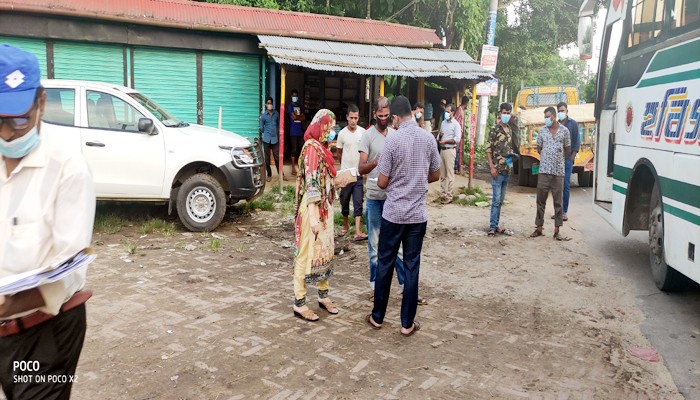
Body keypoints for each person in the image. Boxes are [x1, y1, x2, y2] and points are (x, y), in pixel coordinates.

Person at [0, 44, 96, 399]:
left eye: (18, 119)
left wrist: (9, 304)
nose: (8, 133)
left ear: (41, 103)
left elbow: (69, 270)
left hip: (47, 332)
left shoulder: (67, 164)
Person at [365, 95, 440, 336]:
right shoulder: (428, 139)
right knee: (411, 267)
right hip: (417, 216)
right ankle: (407, 324)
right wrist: (417, 180)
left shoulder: (393, 141)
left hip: (394, 214)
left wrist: (399, 180)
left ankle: (377, 318)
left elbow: (384, 181)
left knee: (385, 263)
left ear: (395, 117)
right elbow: (436, 174)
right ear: (413, 113)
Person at [292, 109, 342, 322]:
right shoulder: (312, 150)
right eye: (329, 128)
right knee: (305, 253)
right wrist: (313, 218)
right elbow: (312, 184)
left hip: (324, 209)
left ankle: (323, 296)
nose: (332, 132)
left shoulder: (323, 149)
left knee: (325, 252)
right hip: (313, 210)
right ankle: (299, 302)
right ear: (320, 127)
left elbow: (325, 179)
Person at [358, 97, 408, 298]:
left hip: (392, 198)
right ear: (374, 115)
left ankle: (405, 286)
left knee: (397, 246)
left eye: (387, 116)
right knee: (375, 246)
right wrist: (376, 161)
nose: (384, 119)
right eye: (380, 116)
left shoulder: (395, 135)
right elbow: (361, 168)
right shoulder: (367, 136)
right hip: (374, 197)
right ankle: (375, 286)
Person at [530, 106, 572, 241]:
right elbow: (539, 148)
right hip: (544, 171)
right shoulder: (542, 131)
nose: (546, 119)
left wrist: (557, 159)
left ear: (554, 116)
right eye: (545, 117)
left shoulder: (564, 131)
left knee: (558, 202)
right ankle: (539, 228)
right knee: (540, 200)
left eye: (548, 116)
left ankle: (557, 230)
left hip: (558, 172)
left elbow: (568, 149)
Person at [336, 104, 367, 240]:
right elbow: (339, 153)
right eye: (351, 117)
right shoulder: (342, 134)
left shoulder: (363, 133)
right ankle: (345, 225)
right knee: (344, 201)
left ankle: (358, 231)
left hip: (358, 173)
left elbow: (366, 151)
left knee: (358, 201)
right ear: (347, 117)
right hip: (345, 174)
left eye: (356, 118)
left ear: (358, 118)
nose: (353, 120)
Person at [486, 103, 517, 237]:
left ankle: (496, 225)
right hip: (497, 171)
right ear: (500, 113)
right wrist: (492, 167)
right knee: (496, 200)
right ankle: (492, 226)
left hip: (507, 170)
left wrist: (512, 159)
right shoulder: (494, 129)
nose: (506, 115)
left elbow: (509, 148)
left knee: (501, 200)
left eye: (508, 112)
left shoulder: (510, 129)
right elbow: (488, 150)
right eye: (504, 112)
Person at [553, 102, 579, 221]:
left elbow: (576, 142)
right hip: (557, 160)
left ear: (567, 111)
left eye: (563, 110)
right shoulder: (555, 124)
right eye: (559, 110)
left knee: (566, 185)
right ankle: (557, 211)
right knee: (556, 186)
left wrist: (572, 157)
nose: (561, 112)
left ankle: (564, 212)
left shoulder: (573, 124)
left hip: (567, 160)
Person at [437, 103, 461, 203]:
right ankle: (442, 194)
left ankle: (449, 196)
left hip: (450, 150)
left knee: (450, 174)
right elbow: (438, 137)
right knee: (442, 174)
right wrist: (440, 135)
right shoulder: (443, 123)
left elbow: (457, 139)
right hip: (442, 150)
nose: (446, 113)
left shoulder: (456, 125)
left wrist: (445, 141)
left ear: (453, 113)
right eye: (445, 111)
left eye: (448, 111)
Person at [260, 96, 280, 182]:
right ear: (266, 105)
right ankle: (269, 175)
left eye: (271, 103)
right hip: (266, 139)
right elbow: (261, 128)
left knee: (277, 158)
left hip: (275, 139)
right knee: (267, 159)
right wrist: (266, 133)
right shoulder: (264, 116)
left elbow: (279, 125)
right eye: (268, 103)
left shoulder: (276, 114)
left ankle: (281, 174)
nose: (270, 105)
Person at [287, 89, 305, 176]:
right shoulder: (290, 106)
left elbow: (303, 118)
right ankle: (293, 168)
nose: (295, 97)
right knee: (293, 149)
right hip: (293, 131)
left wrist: (297, 117)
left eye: (296, 96)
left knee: (301, 149)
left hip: (299, 131)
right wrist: (299, 117)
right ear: (291, 96)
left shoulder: (300, 106)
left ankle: (300, 167)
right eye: (293, 96)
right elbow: (293, 117)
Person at [453, 96, 469, 172]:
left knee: (458, 150)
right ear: (466, 103)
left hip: (460, 132)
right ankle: (454, 167)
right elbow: (455, 119)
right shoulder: (459, 110)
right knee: (456, 149)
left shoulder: (462, 110)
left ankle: (456, 166)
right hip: (457, 132)